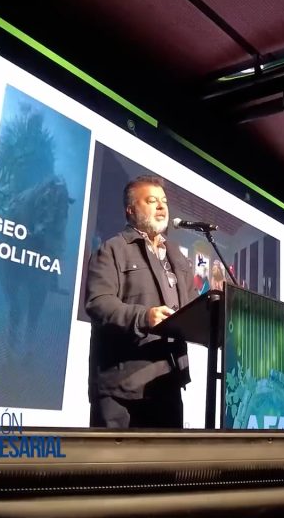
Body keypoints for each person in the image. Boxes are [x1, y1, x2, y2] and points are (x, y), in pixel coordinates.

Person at [85, 175, 196, 428]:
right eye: (152, 201)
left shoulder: (178, 257)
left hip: (167, 382)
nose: (161, 206)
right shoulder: (112, 250)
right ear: (131, 210)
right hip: (121, 386)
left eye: (164, 201)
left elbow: (191, 308)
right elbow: (98, 303)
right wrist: (144, 317)